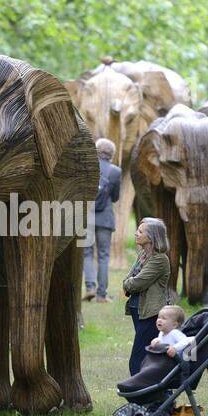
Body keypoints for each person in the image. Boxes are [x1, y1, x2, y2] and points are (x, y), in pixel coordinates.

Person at [121, 217, 174, 375]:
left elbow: (136, 283)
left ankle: (142, 396)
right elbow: (127, 279)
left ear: (152, 237)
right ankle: (153, 396)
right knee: (146, 356)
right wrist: (128, 283)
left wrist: (128, 284)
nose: (136, 233)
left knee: (137, 360)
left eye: (140, 231)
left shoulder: (159, 260)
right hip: (138, 310)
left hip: (151, 314)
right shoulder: (143, 255)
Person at [84, 138, 122, 303]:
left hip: (87, 217)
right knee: (103, 256)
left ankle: (90, 287)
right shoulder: (115, 171)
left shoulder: (88, 166)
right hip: (105, 219)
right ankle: (101, 294)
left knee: (86, 253)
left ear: (96, 150)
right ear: (111, 154)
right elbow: (115, 198)